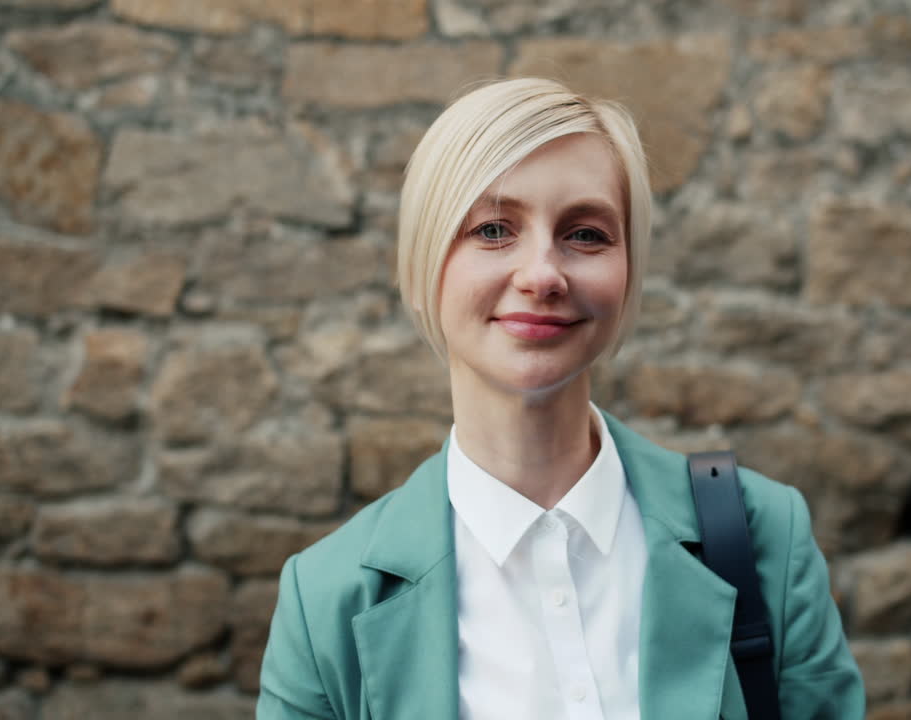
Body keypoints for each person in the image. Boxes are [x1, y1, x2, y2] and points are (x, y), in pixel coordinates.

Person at [257, 77, 864, 720]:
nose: (543, 274)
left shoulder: (764, 536)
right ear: (424, 263)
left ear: (629, 272)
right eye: (493, 229)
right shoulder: (325, 600)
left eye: (587, 234)